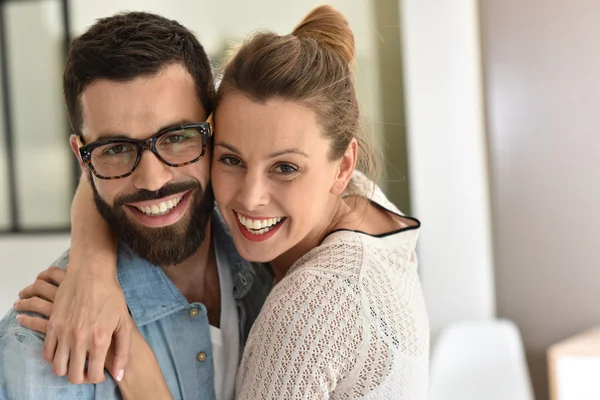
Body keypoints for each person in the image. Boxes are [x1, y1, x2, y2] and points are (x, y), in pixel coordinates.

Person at [17, 5, 430, 399]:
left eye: (285, 168)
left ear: (341, 168)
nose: (250, 198)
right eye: (232, 159)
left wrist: (137, 368)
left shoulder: (310, 302)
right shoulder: (368, 212)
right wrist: (91, 265)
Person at [0, 11, 273, 400]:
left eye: (177, 137)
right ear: (83, 158)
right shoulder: (39, 352)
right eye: (115, 149)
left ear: (214, 130)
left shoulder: (278, 253)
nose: (153, 180)